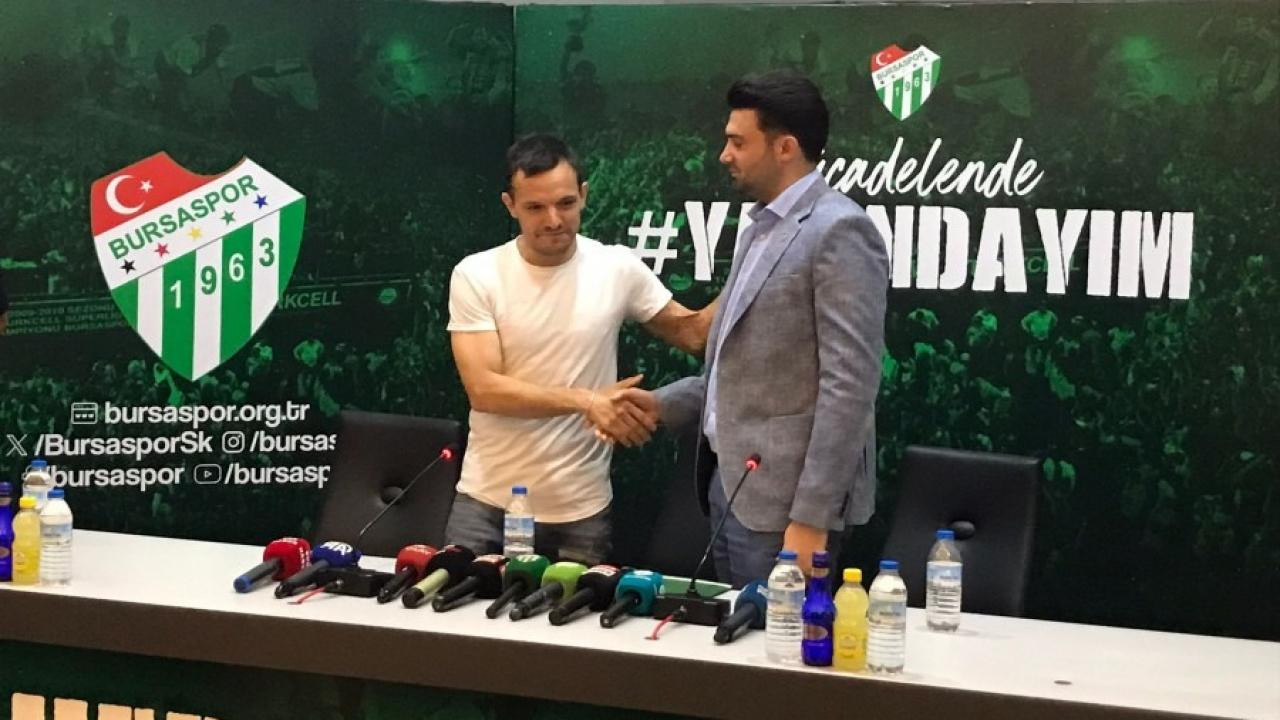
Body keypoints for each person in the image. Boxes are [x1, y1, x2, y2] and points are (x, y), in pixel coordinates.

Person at [625, 71, 889, 585]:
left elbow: (850, 388)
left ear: (785, 147)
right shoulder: (758, 230)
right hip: (729, 489)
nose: (724, 155)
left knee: (778, 637)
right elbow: (741, 369)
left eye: (738, 142)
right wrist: (661, 404)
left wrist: (812, 516)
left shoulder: (839, 229)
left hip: (789, 509)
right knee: (737, 632)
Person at [444, 133, 717, 565]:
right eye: (535, 207)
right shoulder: (477, 274)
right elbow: (485, 390)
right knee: (457, 611)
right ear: (510, 205)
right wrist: (588, 401)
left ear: (584, 195)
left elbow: (693, 334)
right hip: (487, 506)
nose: (554, 219)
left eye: (566, 203)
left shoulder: (616, 267)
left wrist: (754, 264)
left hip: (581, 513)